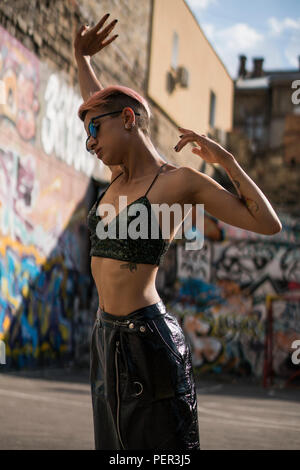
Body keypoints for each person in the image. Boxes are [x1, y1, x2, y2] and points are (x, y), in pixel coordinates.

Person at [73, 14, 282, 451]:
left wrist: (227, 162)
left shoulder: (179, 183)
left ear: (128, 119)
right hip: (104, 337)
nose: (90, 142)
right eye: (85, 133)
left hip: (147, 342)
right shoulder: (115, 175)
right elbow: (97, 101)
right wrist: (80, 55)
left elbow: (267, 223)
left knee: (161, 455)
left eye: (94, 131)